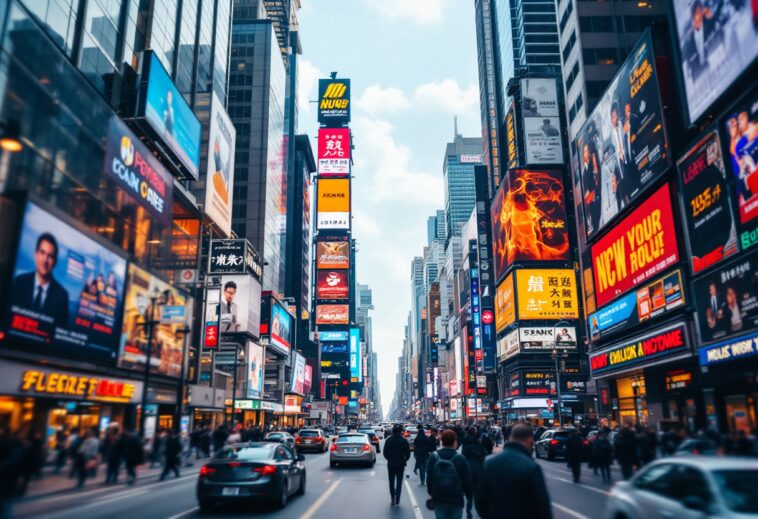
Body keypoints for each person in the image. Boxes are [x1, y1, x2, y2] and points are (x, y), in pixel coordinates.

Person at [475, 424, 552, 519]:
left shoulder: (489, 463)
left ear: (511, 438)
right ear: (529, 440)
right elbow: (542, 507)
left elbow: (480, 499)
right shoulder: (531, 467)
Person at [10, 232, 70, 330]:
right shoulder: (19, 282)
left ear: (54, 262)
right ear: (35, 255)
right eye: (42, 253)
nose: (45, 260)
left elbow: (60, 333)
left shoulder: (62, 296)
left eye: (50, 256)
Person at [426, 429, 472, 519]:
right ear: (455, 441)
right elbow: (467, 480)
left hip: (439, 499)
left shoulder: (434, 457)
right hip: (456, 499)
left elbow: (429, 477)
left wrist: (432, 493)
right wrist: (469, 496)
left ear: (441, 441)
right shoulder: (460, 458)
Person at [461, 427, 486, 519]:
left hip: (468, 472)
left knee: (469, 494)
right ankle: (481, 511)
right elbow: (483, 457)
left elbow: (463, 459)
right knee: (478, 493)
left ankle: (469, 511)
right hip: (478, 471)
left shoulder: (466, 447)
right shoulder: (479, 446)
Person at [383, 424, 411, 506]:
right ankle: (398, 498)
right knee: (399, 482)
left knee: (391, 482)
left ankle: (392, 498)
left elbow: (385, 453)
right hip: (400, 464)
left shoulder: (389, 440)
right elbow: (408, 454)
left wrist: (390, 458)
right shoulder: (404, 441)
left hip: (391, 464)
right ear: (400, 431)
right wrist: (404, 460)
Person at [0, 430, 22, 519]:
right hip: (8, 487)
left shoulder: (9, 449)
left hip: (6, 486)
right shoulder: (14, 450)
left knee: (5, 508)